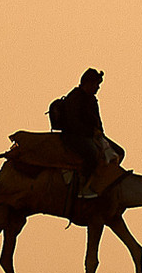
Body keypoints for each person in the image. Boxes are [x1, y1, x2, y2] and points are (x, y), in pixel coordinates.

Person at [48, 68, 116, 197]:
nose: (97, 88)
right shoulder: (75, 98)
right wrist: (91, 133)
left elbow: (98, 122)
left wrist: (100, 135)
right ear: (88, 83)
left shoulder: (91, 100)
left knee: (118, 152)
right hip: (73, 137)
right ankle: (83, 187)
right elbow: (74, 124)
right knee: (92, 154)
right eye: (96, 84)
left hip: (91, 136)